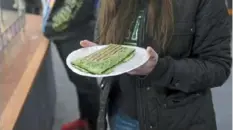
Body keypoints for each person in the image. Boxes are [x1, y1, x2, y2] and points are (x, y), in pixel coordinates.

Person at [80, 0, 232, 129]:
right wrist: (101, 54)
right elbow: (105, 39)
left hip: (178, 121)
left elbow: (218, 67)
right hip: (120, 116)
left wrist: (161, 69)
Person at [43, 0, 100, 130]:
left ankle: (94, 125)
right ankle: (85, 119)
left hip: (78, 30)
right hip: (60, 28)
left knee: (87, 84)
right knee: (78, 82)